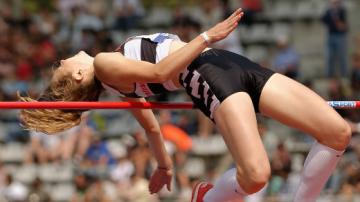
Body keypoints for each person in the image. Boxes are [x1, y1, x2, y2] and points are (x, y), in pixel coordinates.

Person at [19, 8, 351, 202]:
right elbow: (162, 71)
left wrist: (164, 166)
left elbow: (150, 125)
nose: (59, 59)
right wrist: (207, 36)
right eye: (58, 68)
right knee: (256, 176)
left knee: (336, 132)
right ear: (78, 75)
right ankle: (207, 197)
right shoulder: (105, 64)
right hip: (207, 71)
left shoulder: (119, 80)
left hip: (228, 62)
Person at [322, 0, 348, 78]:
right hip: (331, 35)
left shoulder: (342, 11)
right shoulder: (328, 12)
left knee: (341, 55)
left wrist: (340, 24)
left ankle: (344, 74)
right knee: (329, 56)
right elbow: (323, 20)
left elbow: (344, 25)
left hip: (340, 36)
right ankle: (329, 74)